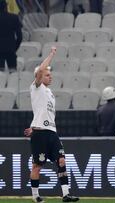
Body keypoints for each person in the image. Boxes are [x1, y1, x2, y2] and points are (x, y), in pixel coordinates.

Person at [23, 47, 79, 203]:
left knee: (61, 160)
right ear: (40, 76)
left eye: (50, 74)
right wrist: (51, 54)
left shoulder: (49, 92)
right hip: (40, 133)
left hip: (52, 132)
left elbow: (42, 112)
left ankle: (66, 194)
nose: (50, 77)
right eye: (48, 75)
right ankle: (35, 196)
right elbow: (41, 70)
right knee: (37, 166)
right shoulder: (36, 87)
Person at [0, 0, 22, 73]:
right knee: (13, 74)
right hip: (10, 49)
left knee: (1, 75)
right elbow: (19, 37)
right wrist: (14, 48)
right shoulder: (14, 18)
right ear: (6, 7)